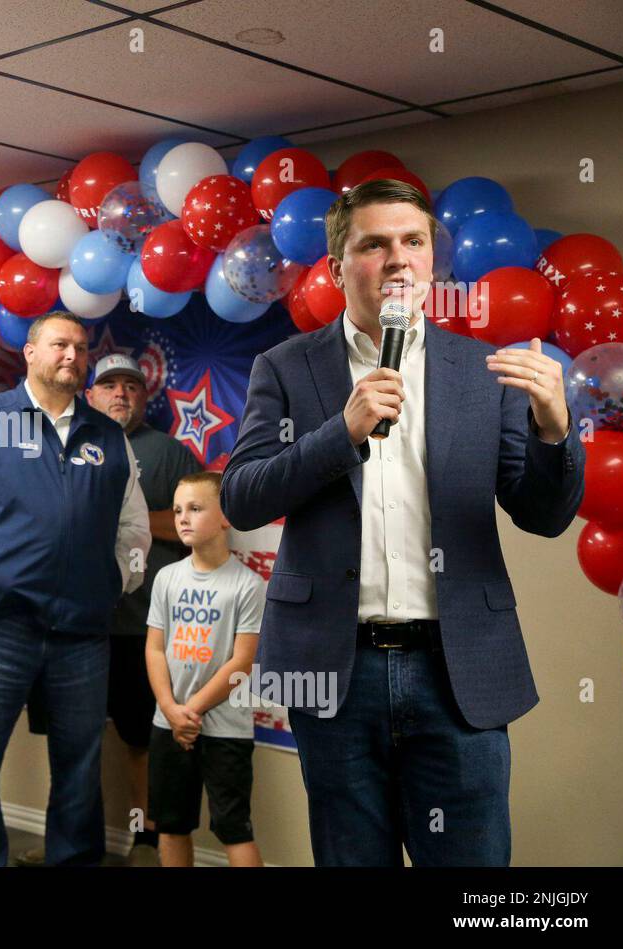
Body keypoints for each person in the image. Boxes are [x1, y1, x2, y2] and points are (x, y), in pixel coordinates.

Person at [220, 179, 585, 866]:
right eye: (375, 244)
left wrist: (555, 429)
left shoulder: (482, 371)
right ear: (335, 268)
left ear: (431, 264)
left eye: (413, 242)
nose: (398, 259)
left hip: (458, 670)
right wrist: (340, 433)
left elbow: (543, 514)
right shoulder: (285, 367)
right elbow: (240, 499)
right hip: (333, 674)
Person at [0, 311, 151, 867]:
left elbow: (134, 528)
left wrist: (115, 578)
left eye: (80, 347)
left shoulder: (106, 435)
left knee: (79, 765)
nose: (72, 356)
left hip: (82, 634)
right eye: (59, 345)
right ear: (30, 353)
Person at [84, 353, 198, 866]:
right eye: (109, 385)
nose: (120, 394)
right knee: (77, 737)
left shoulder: (169, 454)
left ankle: (149, 838)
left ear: (144, 397)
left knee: (142, 738)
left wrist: (125, 518)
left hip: (145, 626)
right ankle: (76, 839)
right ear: (91, 396)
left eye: (131, 385)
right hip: (77, 623)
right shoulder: (68, 446)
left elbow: (197, 526)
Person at [146, 472, 264, 868]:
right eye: (178, 510)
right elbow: (155, 648)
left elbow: (241, 663)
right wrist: (170, 708)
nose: (182, 518)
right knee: (172, 825)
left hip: (224, 730)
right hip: (168, 725)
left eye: (195, 509)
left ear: (225, 515)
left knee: (234, 829)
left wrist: (191, 709)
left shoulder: (247, 585)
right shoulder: (166, 578)